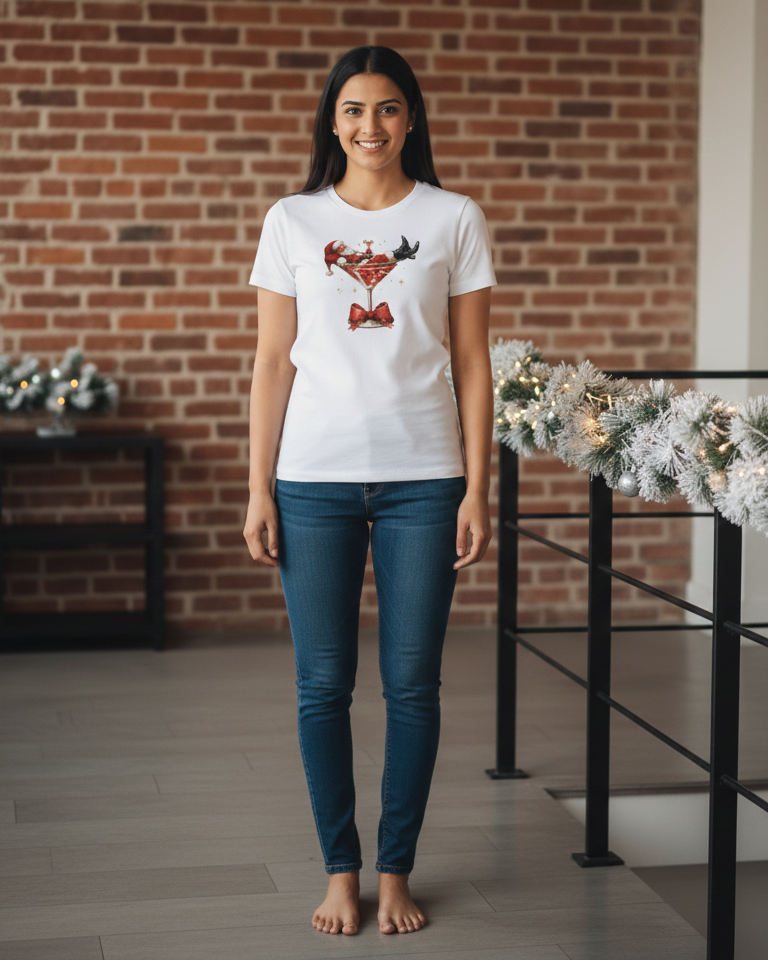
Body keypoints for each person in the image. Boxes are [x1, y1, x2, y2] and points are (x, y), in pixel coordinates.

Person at [243, 44, 496, 938]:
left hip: (426, 483)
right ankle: (339, 871)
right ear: (332, 122)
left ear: (412, 119)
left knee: (413, 686)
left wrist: (476, 488)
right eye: (353, 110)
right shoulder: (292, 221)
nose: (370, 126)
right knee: (322, 687)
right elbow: (273, 362)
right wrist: (258, 488)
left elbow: (472, 362)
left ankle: (396, 872)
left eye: (388, 108)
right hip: (310, 481)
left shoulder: (454, 217)